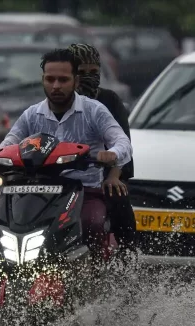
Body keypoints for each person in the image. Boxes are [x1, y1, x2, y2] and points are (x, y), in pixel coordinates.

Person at [0, 48, 132, 256]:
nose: (56, 86)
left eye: (63, 80)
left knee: (91, 223)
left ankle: (97, 277)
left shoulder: (95, 110)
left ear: (75, 81)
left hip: (84, 191)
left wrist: (112, 153)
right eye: (50, 79)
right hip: (38, 192)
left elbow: (122, 142)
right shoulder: (31, 114)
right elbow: (10, 143)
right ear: (43, 80)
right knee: (3, 227)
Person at [68, 43, 136, 255]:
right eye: (82, 72)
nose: (89, 76)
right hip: (64, 174)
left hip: (106, 171)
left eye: (94, 72)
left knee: (118, 197)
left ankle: (126, 256)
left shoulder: (109, 100)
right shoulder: (59, 101)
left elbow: (123, 143)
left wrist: (114, 175)